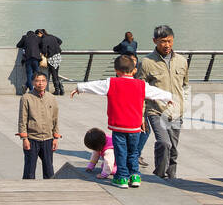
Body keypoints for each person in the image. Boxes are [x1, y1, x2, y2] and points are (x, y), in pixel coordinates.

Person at [70, 55, 172, 188]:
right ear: (134, 69)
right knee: (133, 152)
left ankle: (122, 177)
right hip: (135, 127)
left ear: (116, 70)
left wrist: (80, 88)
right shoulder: (141, 85)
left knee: (121, 152)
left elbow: (95, 86)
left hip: (118, 126)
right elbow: (155, 92)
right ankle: (135, 176)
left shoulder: (111, 83)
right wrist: (168, 97)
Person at [138, 24, 189, 181]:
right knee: (164, 143)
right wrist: (141, 115)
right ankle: (159, 175)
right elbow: (139, 90)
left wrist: (183, 103)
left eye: (169, 41)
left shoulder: (182, 61)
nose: (166, 45)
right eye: (162, 41)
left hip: (176, 111)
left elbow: (185, 85)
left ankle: (171, 178)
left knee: (173, 149)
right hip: (156, 110)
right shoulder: (146, 62)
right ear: (154, 41)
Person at [18, 72, 60, 179]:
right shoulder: (26, 98)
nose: (40, 83)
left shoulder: (51, 98)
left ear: (46, 82)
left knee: (49, 170)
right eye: (37, 81)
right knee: (29, 171)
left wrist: (55, 138)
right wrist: (24, 139)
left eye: (43, 81)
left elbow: (55, 119)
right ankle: (28, 192)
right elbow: (22, 119)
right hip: (32, 139)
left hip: (48, 139)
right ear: (32, 82)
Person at [15, 29, 42, 94]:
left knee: (29, 75)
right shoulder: (37, 37)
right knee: (37, 75)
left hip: (28, 59)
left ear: (27, 34)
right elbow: (41, 45)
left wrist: (25, 44)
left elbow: (18, 45)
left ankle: (30, 89)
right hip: (36, 58)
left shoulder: (25, 37)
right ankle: (34, 90)